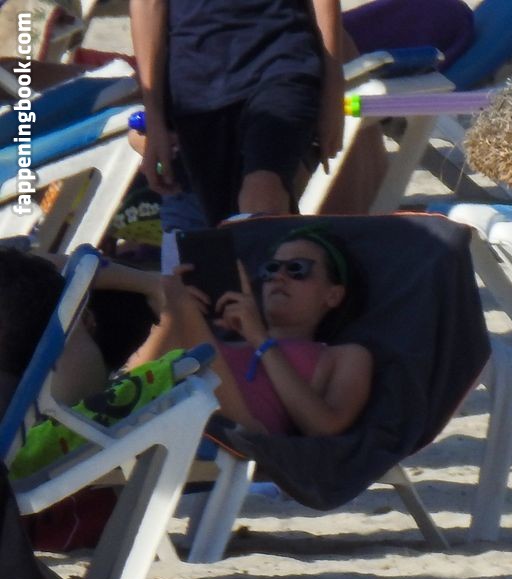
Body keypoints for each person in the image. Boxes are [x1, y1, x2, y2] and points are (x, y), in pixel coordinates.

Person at [92, 226, 373, 439]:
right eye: (272, 268)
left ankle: (90, 269)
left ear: (333, 295)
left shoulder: (345, 355)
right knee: (134, 304)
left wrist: (261, 339)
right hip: (176, 411)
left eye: (297, 269)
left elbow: (325, 426)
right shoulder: (227, 342)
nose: (278, 276)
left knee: (170, 295)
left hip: (244, 435)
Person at [130, 0, 348, 224]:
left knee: (263, 191)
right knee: (233, 227)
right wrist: (154, 117)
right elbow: (147, 4)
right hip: (197, 84)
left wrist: (333, 89)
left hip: (282, 58)